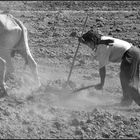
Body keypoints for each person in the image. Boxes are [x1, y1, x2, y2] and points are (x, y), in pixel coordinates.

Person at [78, 29, 140, 106]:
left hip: (130, 55)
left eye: (88, 44)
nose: (89, 46)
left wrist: (102, 83)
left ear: (92, 41)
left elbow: (102, 68)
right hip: (133, 52)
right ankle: (126, 102)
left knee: (128, 83)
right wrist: (82, 41)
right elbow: (92, 43)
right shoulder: (101, 40)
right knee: (124, 78)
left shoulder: (102, 48)